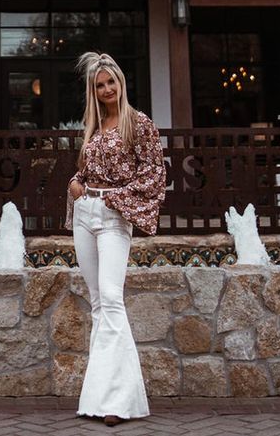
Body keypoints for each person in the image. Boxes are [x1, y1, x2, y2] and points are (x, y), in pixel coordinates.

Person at [66, 52, 166, 427]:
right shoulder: (94, 126)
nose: (107, 89)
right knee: (97, 304)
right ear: (93, 91)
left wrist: (112, 197)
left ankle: (119, 402)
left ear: (121, 82)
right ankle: (100, 398)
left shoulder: (138, 124)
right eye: (99, 85)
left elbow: (154, 177)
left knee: (111, 298)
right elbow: (86, 171)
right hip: (84, 214)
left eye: (111, 82)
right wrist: (75, 184)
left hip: (112, 218)